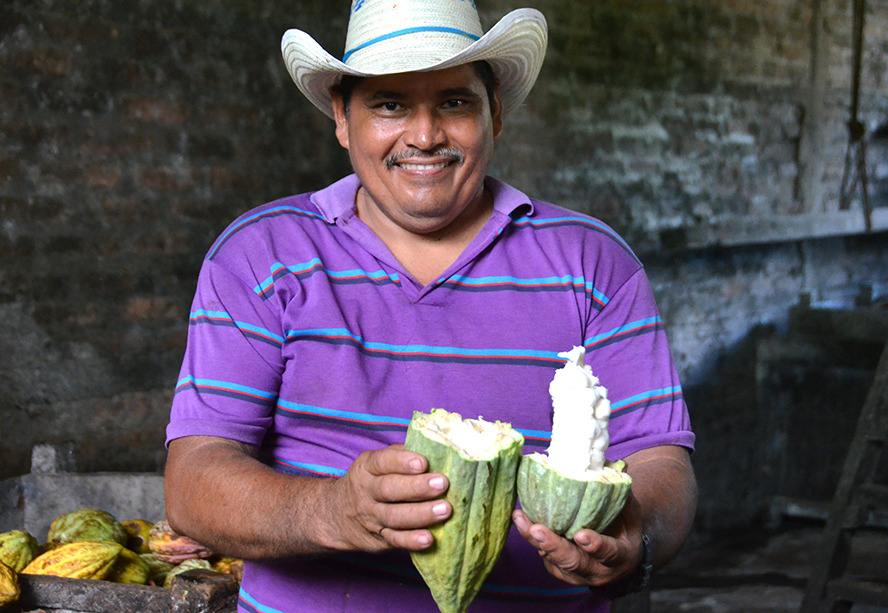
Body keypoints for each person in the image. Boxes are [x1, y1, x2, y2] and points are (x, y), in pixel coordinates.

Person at [163, 1, 697, 611]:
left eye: (453, 102)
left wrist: (637, 540)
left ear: (494, 111)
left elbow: (660, 460)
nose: (424, 135)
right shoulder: (259, 255)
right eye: (390, 104)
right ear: (343, 118)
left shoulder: (594, 263)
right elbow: (194, 476)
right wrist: (334, 510)